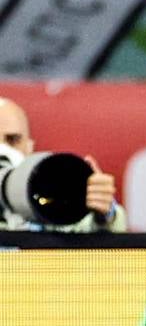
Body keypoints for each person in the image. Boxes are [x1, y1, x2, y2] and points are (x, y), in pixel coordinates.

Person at [0, 96, 126, 232]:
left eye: (13, 140)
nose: (3, 151)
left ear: (29, 148)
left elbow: (102, 232)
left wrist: (105, 213)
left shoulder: (47, 203)